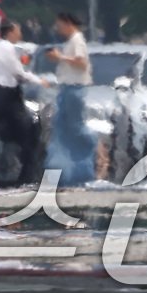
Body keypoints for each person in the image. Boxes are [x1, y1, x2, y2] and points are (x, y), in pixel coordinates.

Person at [0, 21, 43, 186]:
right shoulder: (7, 48)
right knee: (26, 133)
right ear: (10, 31)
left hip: (0, 94)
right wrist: (40, 81)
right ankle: (26, 174)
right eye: (18, 29)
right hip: (6, 95)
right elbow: (18, 73)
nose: (20, 32)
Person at [44, 12, 95, 185]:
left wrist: (60, 57)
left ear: (67, 23)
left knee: (75, 129)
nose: (58, 29)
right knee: (61, 128)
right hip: (66, 89)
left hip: (74, 89)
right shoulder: (71, 41)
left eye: (59, 25)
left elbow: (81, 63)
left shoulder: (77, 40)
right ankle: (62, 172)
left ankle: (88, 160)